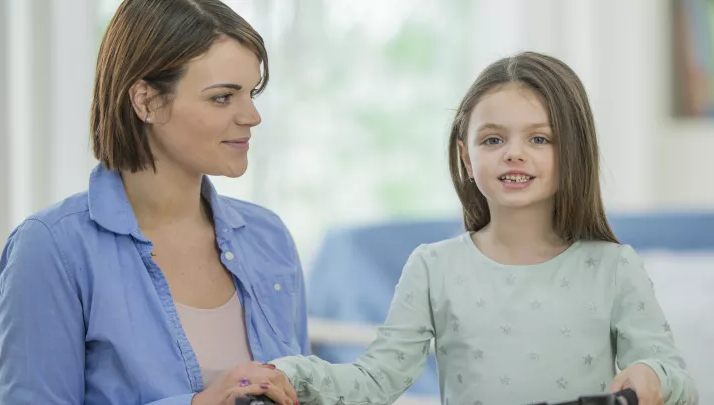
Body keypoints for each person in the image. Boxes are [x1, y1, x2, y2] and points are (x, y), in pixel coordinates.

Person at [247, 52, 699, 405]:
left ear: (575, 151)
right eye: (493, 139)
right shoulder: (432, 267)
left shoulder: (614, 267)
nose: (513, 154)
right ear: (466, 156)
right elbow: (376, 380)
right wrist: (292, 373)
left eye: (539, 139)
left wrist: (653, 376)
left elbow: (674, 376)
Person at [0, 1, 307, 404]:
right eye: (222, 97)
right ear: (146, 101)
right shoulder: (52, 248)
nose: (251, 116)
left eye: (252, 93)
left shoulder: (268, 236)